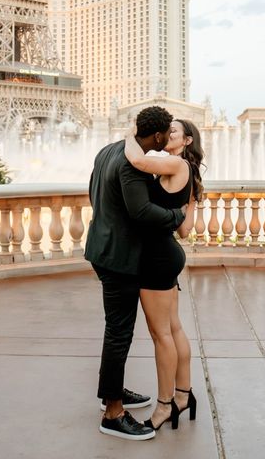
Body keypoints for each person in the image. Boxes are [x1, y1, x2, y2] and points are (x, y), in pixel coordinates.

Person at [84, 106, 186, 441]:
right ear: (157, 136)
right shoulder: (131, 163)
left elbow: (94, 192)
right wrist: (176, 218)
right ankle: (113, 411)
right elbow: (141, 211)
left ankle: (112, 391)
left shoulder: (108, 150)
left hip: (101, 247)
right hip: (119, 257)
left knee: (116, 329)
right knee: (119, 332)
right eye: (165, 135)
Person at [124, 119, 204, 431]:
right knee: (173, 329)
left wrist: (131, 134)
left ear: (186, 140)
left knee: (161, 336)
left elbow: (137, 160)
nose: (167, 134)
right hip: (168, 254)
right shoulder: (187, 171)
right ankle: (183, 396)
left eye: (173, 131)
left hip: (156, 257)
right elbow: (184, 230)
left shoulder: (175, 164)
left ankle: (164, 405)